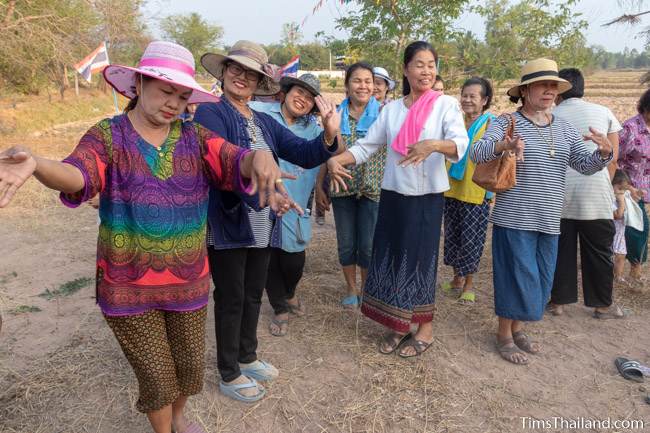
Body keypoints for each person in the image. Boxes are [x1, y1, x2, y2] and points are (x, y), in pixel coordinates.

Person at [0, 41, 291, 433]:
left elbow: (235, 158)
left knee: (188, 368)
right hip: (128, 286)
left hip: (188, 283)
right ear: (138, 83)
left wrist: (261, 157)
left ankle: (180, 419)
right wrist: (38, 164)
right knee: (157, 378)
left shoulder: (195, 138)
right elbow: (78, 174)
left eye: (182, 95)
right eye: (165, 91)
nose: (173, 103)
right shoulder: (107, 136)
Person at [194, 40, 340, 402]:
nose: (241, 77)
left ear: (260, 81)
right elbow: (219, 162)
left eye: (251, 73)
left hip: (263, 223)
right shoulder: (211, 114)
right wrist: (262, 182)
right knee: (230, 298)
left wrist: (329, 132)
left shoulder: (262, 121)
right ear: (225, 72)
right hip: (229, 221)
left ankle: (247, 356)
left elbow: (305, 154)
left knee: (252, 295)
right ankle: (229, 373)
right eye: (236, 69)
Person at [327, 41, 468, 357]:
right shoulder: (391, 110)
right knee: (392, 259)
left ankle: (425, 329)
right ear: (406, 69)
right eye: (420, 64)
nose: (427, 71)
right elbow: (367, 146)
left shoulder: (445, 105)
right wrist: (337, 160)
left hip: (427, 199)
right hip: (393, 197)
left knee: (421, 262)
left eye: (432, 64)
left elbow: (461, 144)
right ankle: (398, 325)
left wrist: (432, 144)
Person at [471, 58, 613, 365]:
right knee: (515, 276)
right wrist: (503, 146)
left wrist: (604, 153)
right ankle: (504, 335)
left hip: (549, 219)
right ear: (525, 90)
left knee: (539, 278)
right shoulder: (505, 121)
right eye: (542, 85)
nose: (549, 91)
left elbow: (584, 166)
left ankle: (518, 328)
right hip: (514, 216)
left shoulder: (564, 127)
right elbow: (477, 152)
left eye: (553, 86)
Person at [249, 74, 323, 337]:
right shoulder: (259, 112)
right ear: (287, 91)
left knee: (293, 261)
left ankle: (290, 292)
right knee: (268, 259)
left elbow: (330, 153)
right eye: (299, 91)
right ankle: (279, 306)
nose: (302, 98)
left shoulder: (315, 129)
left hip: (296, 205)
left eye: (310, 97)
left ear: (315, 104)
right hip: (262, 202)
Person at [547, 68, 625, 319]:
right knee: (599, 253)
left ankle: (558, 302)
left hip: (561, 196)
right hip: (597, 196)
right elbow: (613, 158)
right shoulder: (604, 113)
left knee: (560, 251)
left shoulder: (551, 115)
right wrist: (608, 188)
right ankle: (601, 305)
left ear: (559, 91)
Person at [316, 62, 383, 308]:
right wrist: (319, 184)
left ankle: (367, 289)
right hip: (341, 188)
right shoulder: (335, 115)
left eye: (368, 81)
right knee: (346, 242)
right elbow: (326, 150)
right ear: (347, 85)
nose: (363, 86)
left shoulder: (384, 113)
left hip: (372, 188)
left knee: (367, 244)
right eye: (357, 80)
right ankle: (351, 288)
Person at [442, 77, 495, 304]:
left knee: (472, 241)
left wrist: (491, 192)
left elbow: (495, 156)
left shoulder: (491, 123)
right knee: (453, 237)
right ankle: (456, 279)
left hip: (476, 191)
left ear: (484, 100)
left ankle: (469, 284)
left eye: (473, 96)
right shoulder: (456, 121)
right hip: (451, 189)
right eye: (464, 95)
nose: (467, 100)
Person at [618, 90, 650, 282]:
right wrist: (625, 187)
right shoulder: (630, 129)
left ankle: (633, 265)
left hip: (644, 188)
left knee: (638, 227)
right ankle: (635, 267)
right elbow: (614, 159)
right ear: (646, 108)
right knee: (639, 228)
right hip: (628, 188)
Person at [612, 169, 631, 284]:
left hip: (620, 232)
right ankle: (609, 275)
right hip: (611, 233)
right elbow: (618, 215)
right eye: (619, 188)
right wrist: (621, 202)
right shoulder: (611, 200)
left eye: (624, 189)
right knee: (611, 256)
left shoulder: (623, 197)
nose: (621, 192)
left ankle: (618, 276)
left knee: (622, 255)